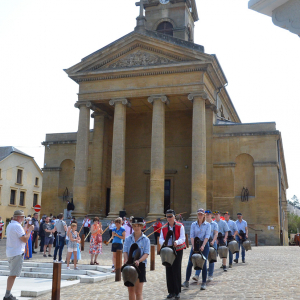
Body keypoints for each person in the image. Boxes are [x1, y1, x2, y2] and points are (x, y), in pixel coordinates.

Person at [4, 210, 34, 300]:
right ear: (18, 217)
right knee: (13, 274)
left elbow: (20, 234)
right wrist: (30, 231)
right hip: (16, 252)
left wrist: (25, 228)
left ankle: (8, 294)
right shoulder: (17, 226)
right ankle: (7, 295)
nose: (23, 219)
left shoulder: (11, 225)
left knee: (13, 274)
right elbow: (25, 239)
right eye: (22, 217)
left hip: (11, 252)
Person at [159, 209, 186, 299]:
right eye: (167, 216)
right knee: (169, 270)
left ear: (174, 216)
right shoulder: (164, 227)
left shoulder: (180, 226)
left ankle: (177, 291)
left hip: (177, 249)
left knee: (176, 270)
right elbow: (160, 239)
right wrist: (165, 242)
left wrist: (177, 242)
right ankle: (171, 291)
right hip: (167, 249)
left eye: (170, 216)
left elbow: (183, 238)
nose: (169, 218)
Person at [182, 208, 210, 291]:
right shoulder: (193, 224)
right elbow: (192, 235)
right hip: (196, 244)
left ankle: (204, 282)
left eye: (201, 214)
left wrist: (203, 245)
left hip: (204, 244)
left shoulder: (207, 225)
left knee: (203, 263)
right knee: (190, 262)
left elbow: (207, 236)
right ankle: (186, 281)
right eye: (198, 214)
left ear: (204, 215)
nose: (200, 216)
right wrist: (193, 246)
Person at [123, 217, 150, 300]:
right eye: (134, 226)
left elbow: (146, 253)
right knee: (130, 291)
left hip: (140, 266)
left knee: (138, 292)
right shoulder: (128, 239)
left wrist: (139, 260)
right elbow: (125, 251)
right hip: (129, 265)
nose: (136, 228)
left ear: (141, 227)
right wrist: (127, 260)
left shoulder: (146, 240)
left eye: (138, 226)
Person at [205, 210, 218, 282]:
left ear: (211, 215)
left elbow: (216, 233)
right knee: (202, 259)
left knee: (211, 259)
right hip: (205, 242)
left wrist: (213, 241)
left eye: (209, 214)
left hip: (212, 242)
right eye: (206, 214)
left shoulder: (214, 224)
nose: (207, 215)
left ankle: (210, 275)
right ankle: (197, 274)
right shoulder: (203, 223)